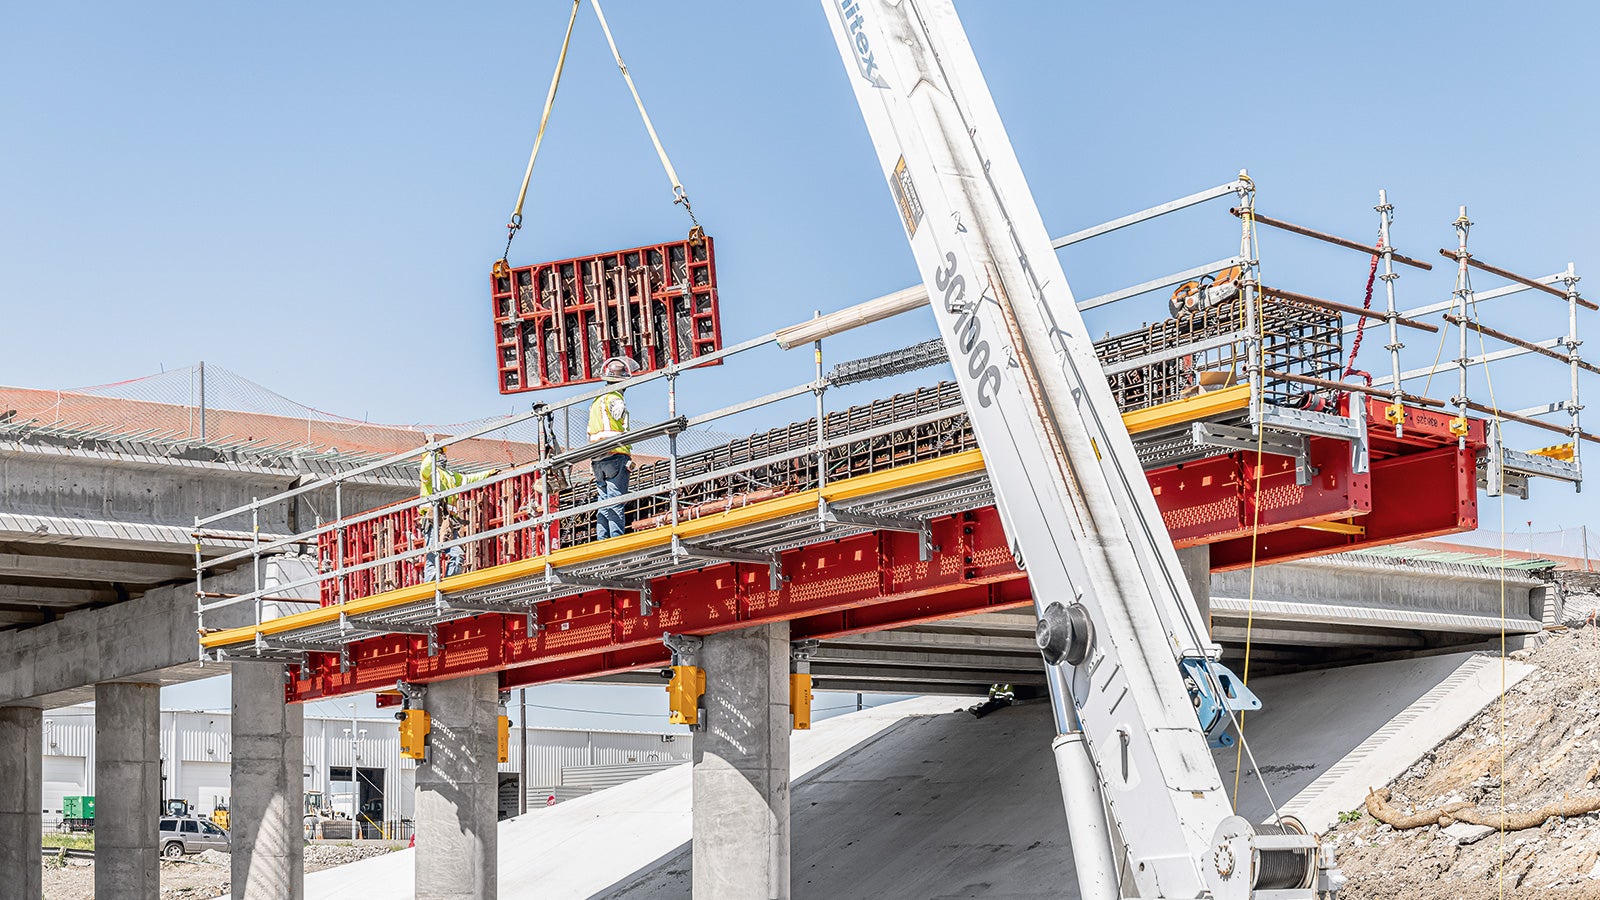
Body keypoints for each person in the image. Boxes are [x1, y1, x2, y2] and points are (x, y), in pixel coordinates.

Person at [418, 444, 497, 582]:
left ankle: (449, 584)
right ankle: (430, 587)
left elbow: (469, 479)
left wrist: (488, 473)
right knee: (433, 555)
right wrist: (433, 451)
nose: (443, 457)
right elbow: (425, 467)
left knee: (458, 556)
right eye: (440, 454)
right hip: (433, 520)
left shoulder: (451, 476)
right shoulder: (429, 473)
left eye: (443, 454)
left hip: (449, 522)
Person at [588, 356, 639, 540]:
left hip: (596, 459)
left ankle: (602, 539)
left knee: (603, 502)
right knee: (616, 501)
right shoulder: (615, 398)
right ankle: (615, 539)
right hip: (615, 454)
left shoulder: (596, 401)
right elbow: (617, 414)